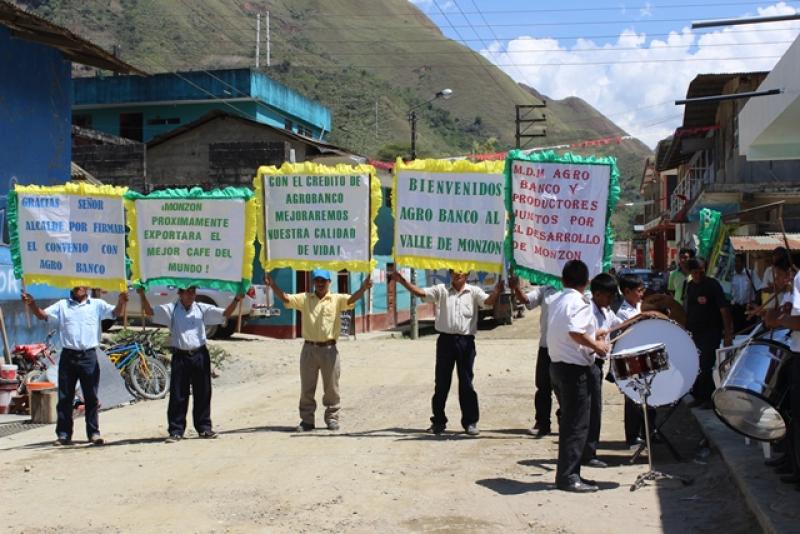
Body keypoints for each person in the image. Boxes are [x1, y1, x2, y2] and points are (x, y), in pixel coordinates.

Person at [392, 269, 502, 436]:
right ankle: (438, 421)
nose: (458, 274)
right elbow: (421, 292)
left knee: (466, 383)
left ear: (467, 274)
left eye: (462, 271)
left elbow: (488, 302)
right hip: (445, 342)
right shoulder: (441, 290)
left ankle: (470, 422)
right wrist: (402, 281)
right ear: (450, 274)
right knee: (442, 383)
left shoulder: (474, 292)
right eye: (454, 271)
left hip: (466, 342)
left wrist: (497, 291)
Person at [267, 269, 371, 432]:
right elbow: (286, 298)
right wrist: (273, 285)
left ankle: (332, 418)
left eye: (323, 281)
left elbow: (351, 299)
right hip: (309, 349)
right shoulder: (306, 299)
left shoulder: (337, 299)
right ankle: (307, 420)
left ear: (329, 282)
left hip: (329, 350)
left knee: (331, 387)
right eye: (317, 281)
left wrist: (363, 288)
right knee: (307, 387)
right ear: (313, 282)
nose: (320, 284)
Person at [21, 286, 128, 446]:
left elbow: (115, 313)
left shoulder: (97, 304)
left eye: (82, 284)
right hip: (68, 357)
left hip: (89, 356)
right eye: (76, 285)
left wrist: (121, 302)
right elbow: (42, 316)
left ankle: (93, 433)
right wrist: (32, 304)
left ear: (87, 287)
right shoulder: (62, 305)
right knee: (65, 397)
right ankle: (64, 435)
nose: (79, 287)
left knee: (91, 397)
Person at [139, 286, 242, 442]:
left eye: (193, 292)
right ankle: (176, 430)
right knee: (178, 394)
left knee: (203, 392)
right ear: (180, 293)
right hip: (180, 355)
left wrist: (236, 299)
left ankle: (204, 428)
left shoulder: (202, 308)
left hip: (200, 354)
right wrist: (141, 295)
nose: (191, 295)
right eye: (187, 292)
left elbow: (225, 314)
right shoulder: (171, 309)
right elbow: (150, 312)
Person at [547, 260, 610, 493]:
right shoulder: (581, 302)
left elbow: (569, 330)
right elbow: (574, 332)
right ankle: (569, 477)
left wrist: (594, 333)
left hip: (557, 366)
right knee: (576, 425)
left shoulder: (557, 300)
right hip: (574, 371)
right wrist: (597, 345)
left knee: (570, 423)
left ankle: (569, 473)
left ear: (564, 280)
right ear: (587, 283)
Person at [509, 276, 559, 438]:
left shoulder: (579, 292)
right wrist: (516, 288)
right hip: (546, 347)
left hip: (566, 350)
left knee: (565, 389)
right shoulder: (547, 289)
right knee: (543, 387)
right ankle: (542, 423)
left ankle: (567, 422)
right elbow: (527, 300)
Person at [685, 258, 733, 408]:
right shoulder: (690, 286)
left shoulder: (712, 285)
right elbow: (688, 309)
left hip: (711, 331)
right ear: (690, 272)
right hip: (694, 331)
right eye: (695, 273)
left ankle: (709, 399)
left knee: (706, 365)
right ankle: (698, 396)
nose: (698, 275)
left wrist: (728, 334)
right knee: (696, 365)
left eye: (701, 272)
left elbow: (724, 310)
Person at [616, 274, 656, 447]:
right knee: (633, 398)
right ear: (626, 292)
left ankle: (650, 432)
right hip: (630, 358)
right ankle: (632, 436)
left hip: (646, 355)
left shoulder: (642, 306)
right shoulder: (622, 313)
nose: (642, 293)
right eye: (638, 291)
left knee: (650, 395)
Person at [730, 254, 760, 332]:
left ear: (743, 263)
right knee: (737, 332)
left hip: (748, 308)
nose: (736, 264)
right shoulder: (730, 276)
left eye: (737, 262)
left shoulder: (751, 274)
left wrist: (755, 305)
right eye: (734, 262)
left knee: (748, 331)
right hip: (735, 309)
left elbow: (759, 290)